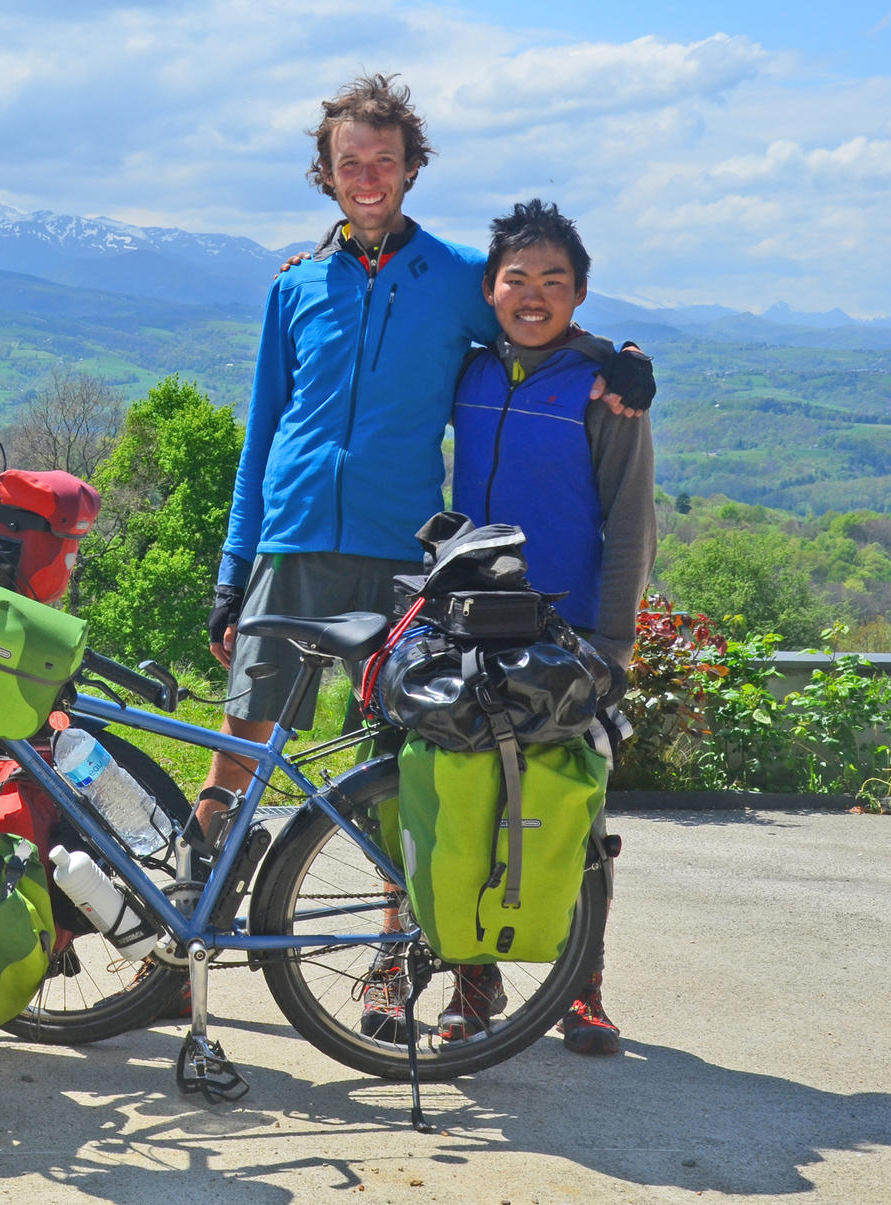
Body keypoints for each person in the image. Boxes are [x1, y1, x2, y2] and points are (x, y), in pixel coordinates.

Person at [202, 75, 651, 825]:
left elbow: (533, 315)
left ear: (412, 167)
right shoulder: (296, 287)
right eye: (351, 164)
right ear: (328, 175)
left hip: (404, 555)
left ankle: (396, 937)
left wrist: (621, 356)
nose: (368, 178)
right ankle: (194, 896)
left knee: (399, 754)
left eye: (384, 161)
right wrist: (231, 570)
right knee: (240, 739)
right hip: (292, 538)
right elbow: (262, 435)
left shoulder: (453, 276)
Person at [440, 198, 652, 1055]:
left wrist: (614, 646)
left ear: (581, 293)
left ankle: (583, 985)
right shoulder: (467, 371)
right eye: (516, 279)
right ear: (490, 290)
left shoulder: (604, 390)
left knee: (574, 807)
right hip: (473, 621)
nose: (534, 296)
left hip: (569, 634)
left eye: (553, 282)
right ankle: (474, 982)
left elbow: (631, 521)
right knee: (475, 806)